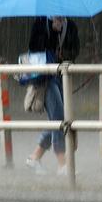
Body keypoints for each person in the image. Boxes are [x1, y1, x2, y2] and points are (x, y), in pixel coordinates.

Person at [25, 16, 79, 175]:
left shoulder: (71, 26)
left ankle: (35, 157)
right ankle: (62, 162)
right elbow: (33, 48)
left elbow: (75, 50)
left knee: (59, 118)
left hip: (63, 76)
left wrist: (63, 54)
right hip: (45, 77)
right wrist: (52, 34)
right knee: (59, 118)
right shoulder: (41, 22)